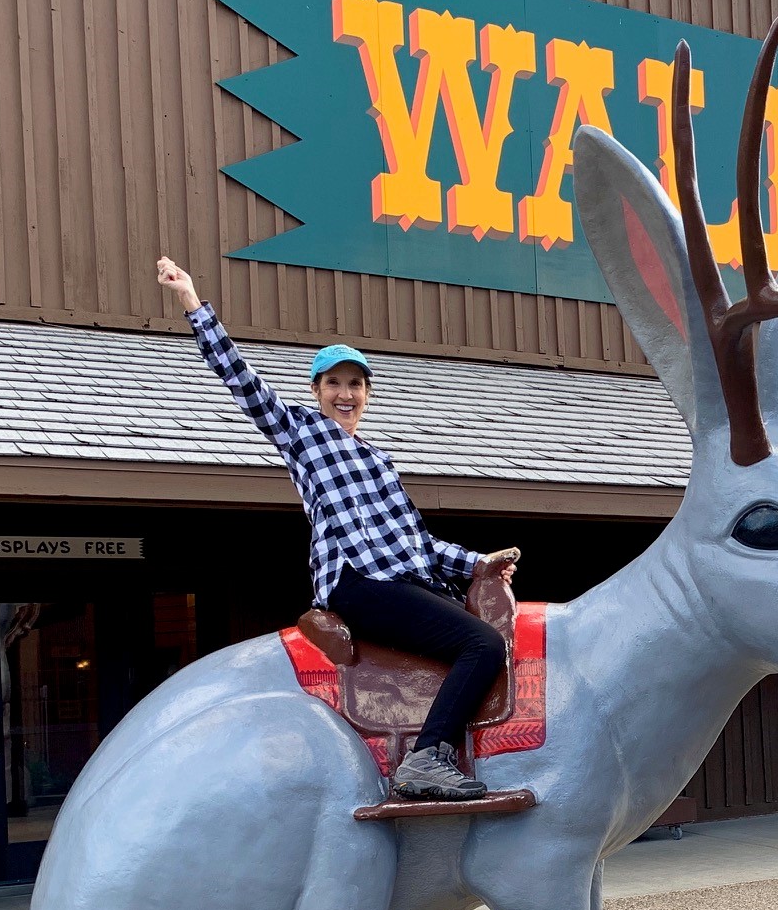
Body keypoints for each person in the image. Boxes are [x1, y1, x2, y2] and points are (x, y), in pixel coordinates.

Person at [156, 256, 515, 802]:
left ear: (367, 394)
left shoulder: (381, 461)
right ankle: (425, 758)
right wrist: (191, 300)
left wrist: (479, 563)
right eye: (333, 384)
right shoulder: (301, 432)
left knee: (481, 631)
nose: (344, 394)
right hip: (358, 582)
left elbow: (419, 544)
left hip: (405, 580)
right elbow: (240, 380)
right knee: (483, 644)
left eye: (355, 384)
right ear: (318, 391)